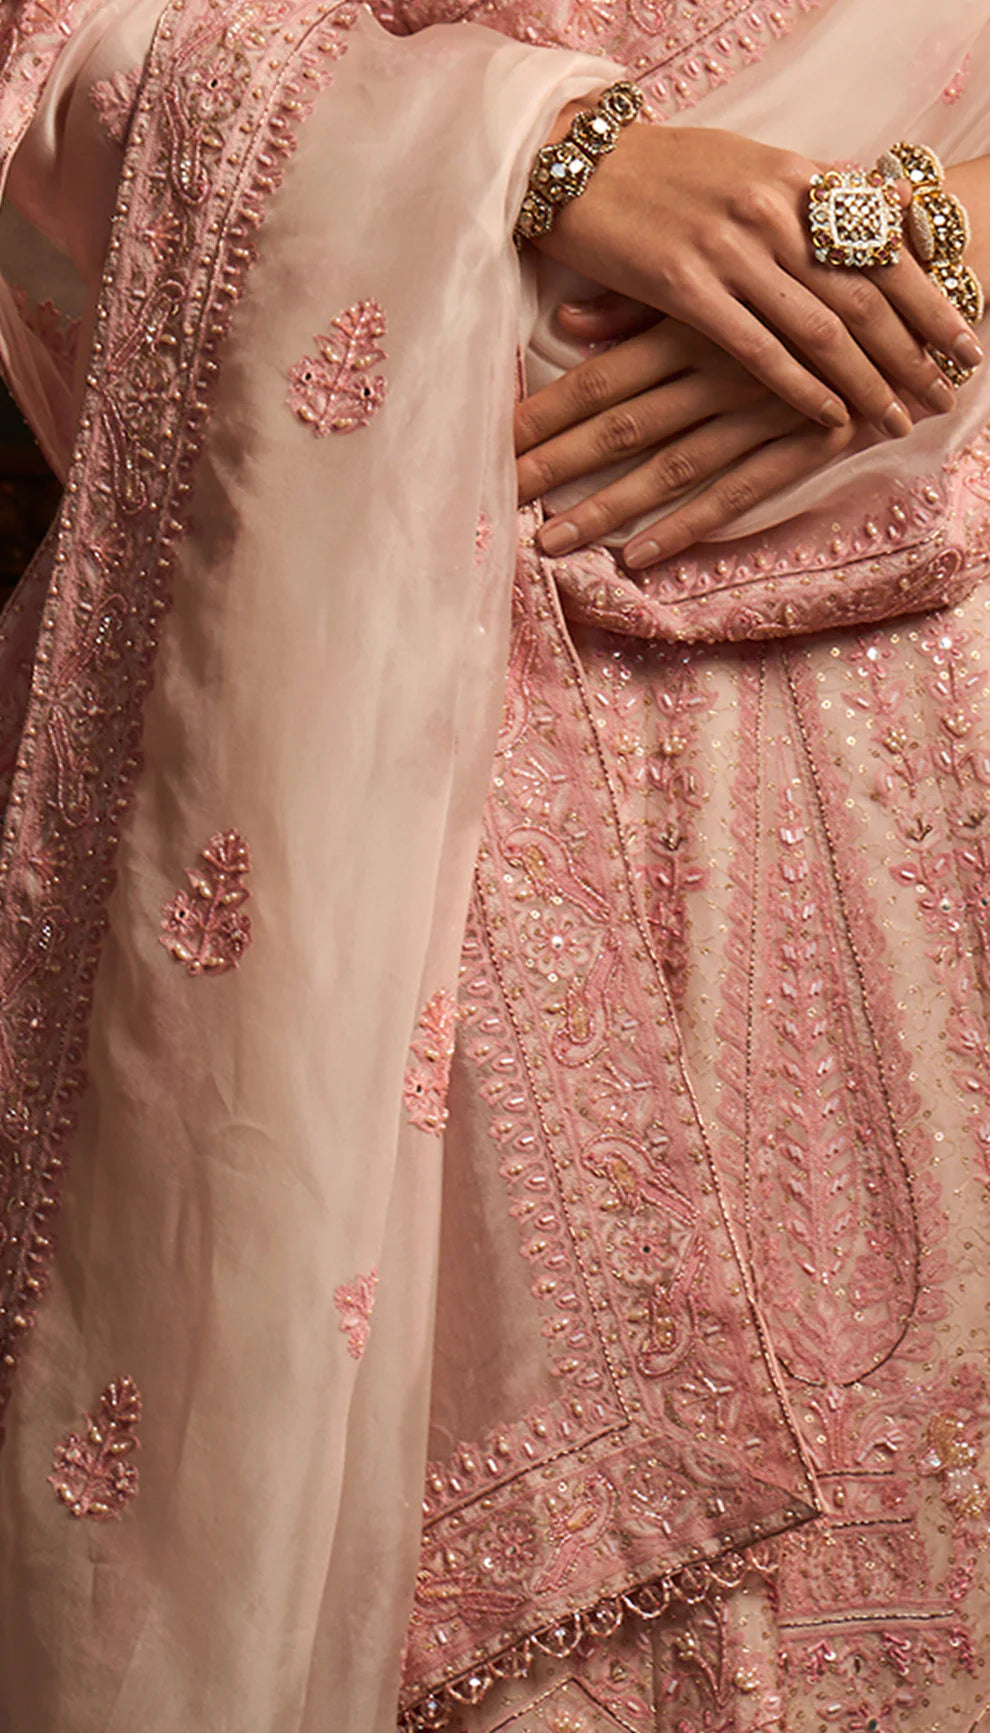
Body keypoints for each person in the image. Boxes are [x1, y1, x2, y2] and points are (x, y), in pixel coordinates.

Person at [0, 0, 988, 1728]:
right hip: (380, 740)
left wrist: (935, 243)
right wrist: (534, 157)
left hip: (928, 661)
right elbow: (59, 61)